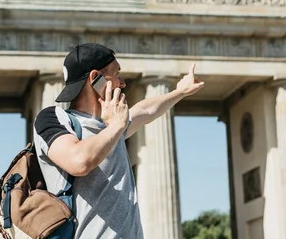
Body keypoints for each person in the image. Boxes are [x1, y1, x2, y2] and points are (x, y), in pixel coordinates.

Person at [33, 43, 205, 239]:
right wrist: (116, 126)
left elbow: (146, 110)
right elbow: (80, 161)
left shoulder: (112, 125)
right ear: (95, 78)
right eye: (116, 74)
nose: (122, 83)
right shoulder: (53, 119)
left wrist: (180, 92)